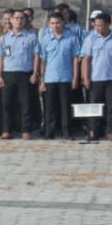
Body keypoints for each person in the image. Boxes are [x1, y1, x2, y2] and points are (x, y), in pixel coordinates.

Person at [79, 12, 112, 141]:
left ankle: (110, 131)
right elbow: (86, 59)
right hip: (95, 78)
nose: (98, 28)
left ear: (108, 24)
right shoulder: (90, 38)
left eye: (101, 26)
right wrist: (85, 77)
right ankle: (93, 130)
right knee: (94, 106)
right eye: (96, 26)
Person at [0, 11, 39, 139]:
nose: (19, 21)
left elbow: (36, 56)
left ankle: (26, 130)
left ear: (25, 21)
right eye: (16, 18)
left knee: (26, 103)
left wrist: (35, 73)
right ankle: (6, 130)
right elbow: (1, 58)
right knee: (6, 103)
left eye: (21, 18)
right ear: (11, 20)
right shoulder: (4, 38)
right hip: (8, 73)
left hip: (25, 74)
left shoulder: (31, 37)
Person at [37, 12, 78, 140]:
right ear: (49, 24)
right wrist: (42, 80)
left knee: (66, 107)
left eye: (58, 23)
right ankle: (49, 132)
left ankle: (67, 132)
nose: (55, 26)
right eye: (52, 23)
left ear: (63, 23)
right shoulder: (45, 40)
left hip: (66, 78)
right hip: (50, 78)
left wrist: (75, 77)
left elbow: (75, 59)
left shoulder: (72, 38)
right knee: (49, 108)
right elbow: (43, 61)